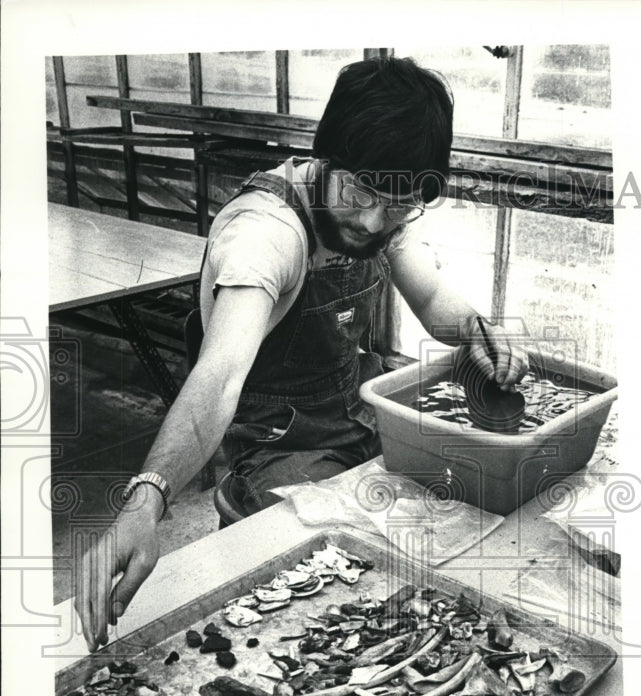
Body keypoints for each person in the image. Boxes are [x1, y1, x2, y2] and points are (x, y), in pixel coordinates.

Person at [75, 56, 528, 650]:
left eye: (396, 205)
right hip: (276, 448)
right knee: (339, 606)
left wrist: (479, 331)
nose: (372, 221)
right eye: (360, 191)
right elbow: (219, 378)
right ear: (324, 159)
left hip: (356, 420)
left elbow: (433, 294)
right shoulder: (265, 235)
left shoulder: (385, 207)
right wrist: (146, 501)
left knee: (476, 519)